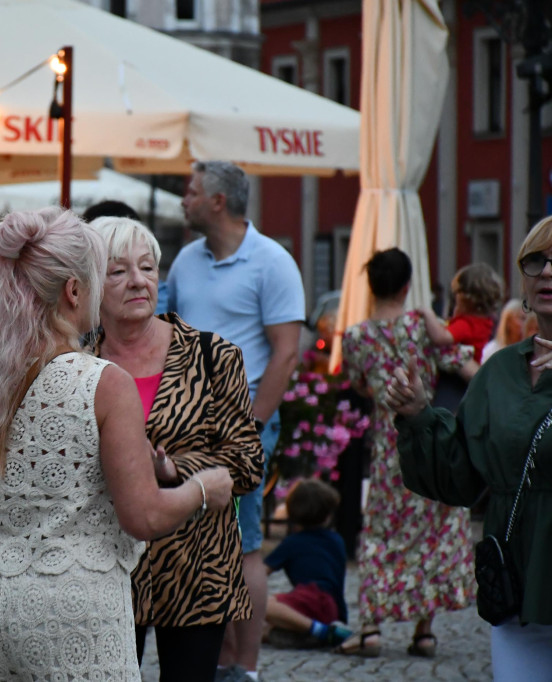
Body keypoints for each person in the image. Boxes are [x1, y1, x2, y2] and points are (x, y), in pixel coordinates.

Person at [0, 207, 236, 681]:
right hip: (73, 601)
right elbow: (143, 516)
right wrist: (203, 490)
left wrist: (17, 496)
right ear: (74, 291)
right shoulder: (103, 382)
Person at [89, 216, 264, 678]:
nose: (138, 282)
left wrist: (175, 468)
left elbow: (247, 462)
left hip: (196, 566)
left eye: (147, 268)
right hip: (103, 563)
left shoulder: (212, 355)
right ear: (88, 282)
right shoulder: (75, 361)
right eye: (118, 271)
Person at [388, 217, 552, 680]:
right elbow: (461, 477)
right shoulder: (498, 372)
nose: (547, 273)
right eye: (536, 260)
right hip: (516, 581)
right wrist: (419, 414)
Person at [166, 160, 304, 682]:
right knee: (197, 541)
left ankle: (244, 667)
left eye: (191, 191)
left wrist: (251, 427)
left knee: (244, 543)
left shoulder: (273, 262)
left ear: (217, 202)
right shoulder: (185, 260)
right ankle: (217, 657)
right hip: (182, 427)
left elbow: (285, 355)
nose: (184, 200)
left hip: (239, 423)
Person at [337, 248, 476, 658]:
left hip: (386, 448)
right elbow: (462, 362)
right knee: (433, 531)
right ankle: (424, 631)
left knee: (381, 534)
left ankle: (370, 627)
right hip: (430, 442)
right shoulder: (422, 327)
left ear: (372, 286)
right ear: (407, 285)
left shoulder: (356, 337)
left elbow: (360, 384)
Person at [263, 479, 351, 648]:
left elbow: (261, 572)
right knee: (267, 630)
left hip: (310, 599)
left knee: (261, 605)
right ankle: (317, 634)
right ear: (327, 515)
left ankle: (319, 631)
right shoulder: (337, 540)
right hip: (333, 608)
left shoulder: (292, 543)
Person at [422, 263, 503, 362]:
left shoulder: (467, 324)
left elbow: (441, 338)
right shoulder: (484, 322)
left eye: (457, 292)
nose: (455, 297)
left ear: (465, 296)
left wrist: (427, 313)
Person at [480, 298, 536, 363]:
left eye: (527, 319)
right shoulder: (492, 350)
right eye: (522, 318)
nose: (526, 323)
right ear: (508, 322)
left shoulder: (530, 350)